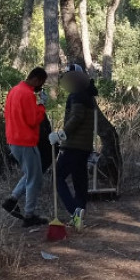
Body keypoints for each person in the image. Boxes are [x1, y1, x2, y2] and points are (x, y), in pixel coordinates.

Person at [51, 63, 98, 231]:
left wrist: (61, 134)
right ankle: (79, 219)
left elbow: (77, 117)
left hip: (73, 145)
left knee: (57, 178)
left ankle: (74, 211)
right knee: (80, 182)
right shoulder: (88, 95)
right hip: (84, 146)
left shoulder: (77, 95)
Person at [2, 67, 50, 227]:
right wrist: (41, 105)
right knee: (35, 178)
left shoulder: (14, 90)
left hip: (13, 139)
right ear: (36, 80)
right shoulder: (28, 94)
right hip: (25, 141)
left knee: (31, 173)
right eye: (41, 83)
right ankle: (29, 215)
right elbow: (33, 120)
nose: (40, 87)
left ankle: (12, 199)